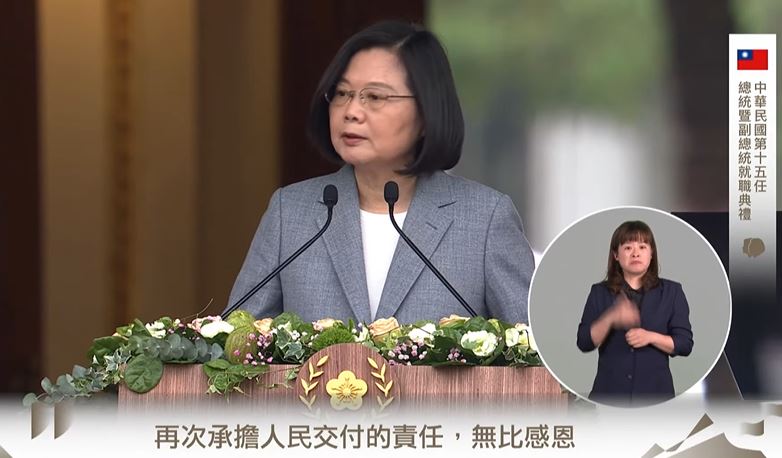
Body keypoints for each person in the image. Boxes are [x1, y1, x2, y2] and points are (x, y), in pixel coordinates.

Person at [224, 21, 535, 325]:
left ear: (426, 113)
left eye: (374, 97)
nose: (351, 112)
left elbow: (534, 348)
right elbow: (236, 341)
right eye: (342, 93)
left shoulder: (484, 220)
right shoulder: (290, 213)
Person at [576, 221, 694, 406]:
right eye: (628, 247)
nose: (635, 253)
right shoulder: (600, 292)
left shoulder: (672, 292)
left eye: (642, 247)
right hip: (608, 397)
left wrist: (650, 337)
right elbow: (584, 342)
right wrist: (610, 318)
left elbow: (685, 344)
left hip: (656, 398)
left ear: (651, 253)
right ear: (616, 255)